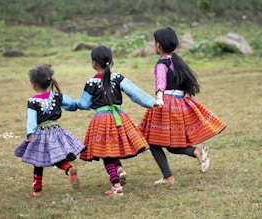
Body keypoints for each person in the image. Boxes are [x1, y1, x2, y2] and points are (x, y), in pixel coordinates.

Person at [139, 27, 227, 185]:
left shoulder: (162, 63)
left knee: (152, 141)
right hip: (179, 104)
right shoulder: (177, 61)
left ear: (158, 45)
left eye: (154, 41)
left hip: (166, 105)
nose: (153, 44)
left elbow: (161, 84)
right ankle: (195, 152)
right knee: (171, 143)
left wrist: (158, 99)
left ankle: (169, 176)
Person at [75, 45, 156, 196]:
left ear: (93, 63)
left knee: (106, 153)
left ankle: (116, 185)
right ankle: (118, 168)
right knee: (113, 148)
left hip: (101, 121)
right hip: (119, 118)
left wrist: (70, 104)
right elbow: (135, 93)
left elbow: (83, 104)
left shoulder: (91, 82)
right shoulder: (118, 78)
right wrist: (152, 102)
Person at [14, 64, 85, 197]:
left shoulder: (33, 101)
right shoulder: (57, 96)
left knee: (37, 162)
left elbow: (31, 119)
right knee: (57, 157)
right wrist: (82, 104)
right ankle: (68, 168)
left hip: (41, 134)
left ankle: (37, 190)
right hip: (56, 131)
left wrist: (30, 133)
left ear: (34, 84)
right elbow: (71, 104)